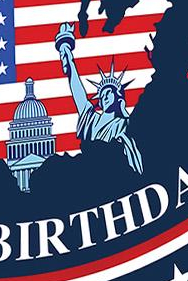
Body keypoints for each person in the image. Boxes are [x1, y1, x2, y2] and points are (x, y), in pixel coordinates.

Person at [58, 21, 144, 172]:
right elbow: (77, 89)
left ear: (118, 98)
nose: (104, 96)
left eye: (109, 92)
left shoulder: (124, 123)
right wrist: (67, 53)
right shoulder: (91, 119)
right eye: (102, 94)